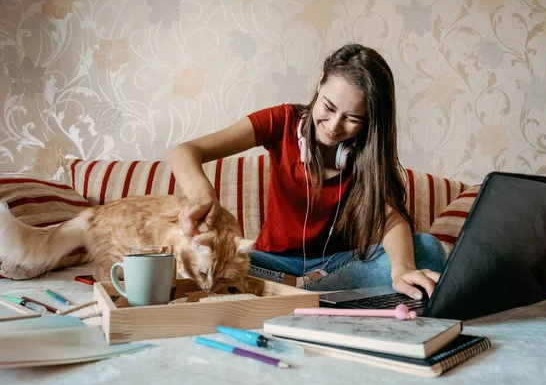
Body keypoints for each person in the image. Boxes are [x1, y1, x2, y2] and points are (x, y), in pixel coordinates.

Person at [169, 43, 446, 300]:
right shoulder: (281, 120)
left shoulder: (367, 153)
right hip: (272, 264)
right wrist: (202, 194)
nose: (334, 126)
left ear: (369, 122)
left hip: (338, 265)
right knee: (211, 268)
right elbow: (186, 151)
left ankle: (291, 296)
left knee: (428, 249)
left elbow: (389, 218)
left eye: (352, 119)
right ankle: (320, 297)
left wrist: (401, 269)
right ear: (320, 81)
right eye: (328, 106)